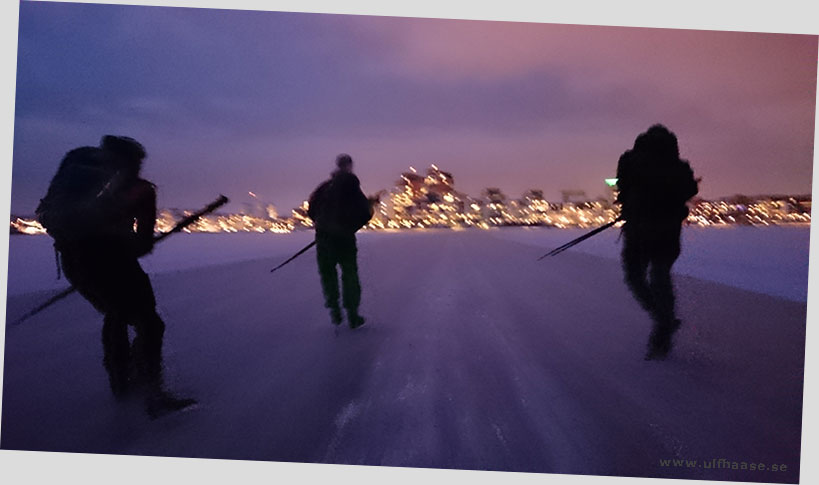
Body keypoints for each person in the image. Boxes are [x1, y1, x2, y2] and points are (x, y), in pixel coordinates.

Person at [36, 135, 195, 418]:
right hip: (113, 260)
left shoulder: (76, 171)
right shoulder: (140, 190)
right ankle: (152, 391)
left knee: (116, 313)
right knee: (148, 322)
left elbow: (53, 215)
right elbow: (143, 243)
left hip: (75, 259)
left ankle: (121, 381)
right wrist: (134, 240)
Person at [615, 125, 699, 360]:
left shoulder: (630, 160)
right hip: (668, 230)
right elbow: (690, 190)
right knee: (661, 275)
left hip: (638, 230)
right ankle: (664, 324)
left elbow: (621, 185)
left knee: (635, 277)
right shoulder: (679, 167)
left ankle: (662, 318)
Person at [307, 154, 376, 329]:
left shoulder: (323, 187)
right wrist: (350, 227)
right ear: (350, 166)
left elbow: (311, 210)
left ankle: (334, 311)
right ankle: (352, 315)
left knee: (328, 275)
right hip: (345, 240)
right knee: (349, 274)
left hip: (323, 240)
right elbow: (365, 213)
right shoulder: (352, 185)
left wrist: (322, 227)